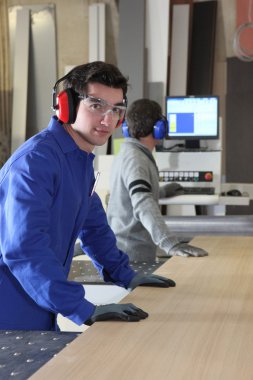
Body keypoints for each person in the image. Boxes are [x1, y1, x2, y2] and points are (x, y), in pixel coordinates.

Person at [0, 62, 176, 331]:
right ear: (66, 105)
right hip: (10, 308)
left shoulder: (78, 161)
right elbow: (25, 250)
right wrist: (82, 309)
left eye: (116, 109)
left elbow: (93, 226)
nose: (108, 120)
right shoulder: (36, 163)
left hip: (37, 301)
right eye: (96, 105)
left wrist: (126, 275)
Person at [107, 98, 208, 263]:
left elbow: (130, 195)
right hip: (132, 256)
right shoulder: (136, 159)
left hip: (126, 250)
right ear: (159, 128)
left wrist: (161, 191)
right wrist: (171, 244)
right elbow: (142, 203)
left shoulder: (127, 152)